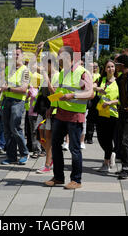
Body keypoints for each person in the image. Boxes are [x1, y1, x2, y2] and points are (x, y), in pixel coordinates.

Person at [44, 46, 93, 189]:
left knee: (74, 148)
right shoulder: (62, 73)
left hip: (75, 116)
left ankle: (76, 180)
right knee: (56, 145)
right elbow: (60, 92)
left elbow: (90, 94)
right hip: (60, 114)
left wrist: (74, 96)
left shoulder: (82, 73)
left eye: (60, 56)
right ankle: (58, 177)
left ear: (68, 57)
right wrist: (52, 106)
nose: (58, 59)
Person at [0, 47, 30, 165]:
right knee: (7, 129)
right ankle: (11, 156)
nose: (15, 56)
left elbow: (24, 89)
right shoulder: (9, 69)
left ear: (22, 56)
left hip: (18, 101)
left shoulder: (25, 71)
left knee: (15, 128)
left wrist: (9, 88)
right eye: (13, 54)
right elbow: (2, 84)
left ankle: (24, 153)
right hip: (7, 100)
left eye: (17, 54)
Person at [94, 60, 119, 173]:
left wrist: (110, 103)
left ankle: (106, 163)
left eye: (112, 66)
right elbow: (92, 86)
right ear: (104, 69)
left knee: (108, 139)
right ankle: (112, 153)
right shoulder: (101, 80)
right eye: (108, 67)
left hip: (112, 115)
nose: (110, 69)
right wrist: (97, 88)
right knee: (101, 139)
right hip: (100, 113)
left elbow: (122, 99)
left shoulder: (119, 81)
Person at [85, 62, 100, 144]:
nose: (94, 68)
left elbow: (94, 85)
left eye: (95, 66)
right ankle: (86, 136)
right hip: (87, 97)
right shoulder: (86, 74)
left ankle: (89, 137)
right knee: (88, 119)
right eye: (92, 67)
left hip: (95, 99)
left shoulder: (98, 76)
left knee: (92, 119)